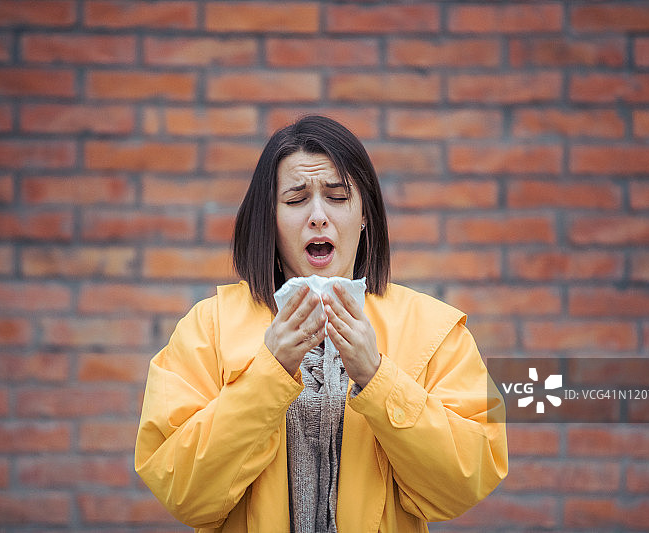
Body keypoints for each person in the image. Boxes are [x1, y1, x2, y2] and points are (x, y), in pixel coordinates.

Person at [135, 115, 508, 533]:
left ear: (365, 214)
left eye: (337, 196)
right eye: (295, 200)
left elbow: (466, 480)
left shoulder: (435, 330)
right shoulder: (208, 327)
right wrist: (269, 372)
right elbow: (182, 492)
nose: (317, 216)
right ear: (270, 221)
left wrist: (377, 376)